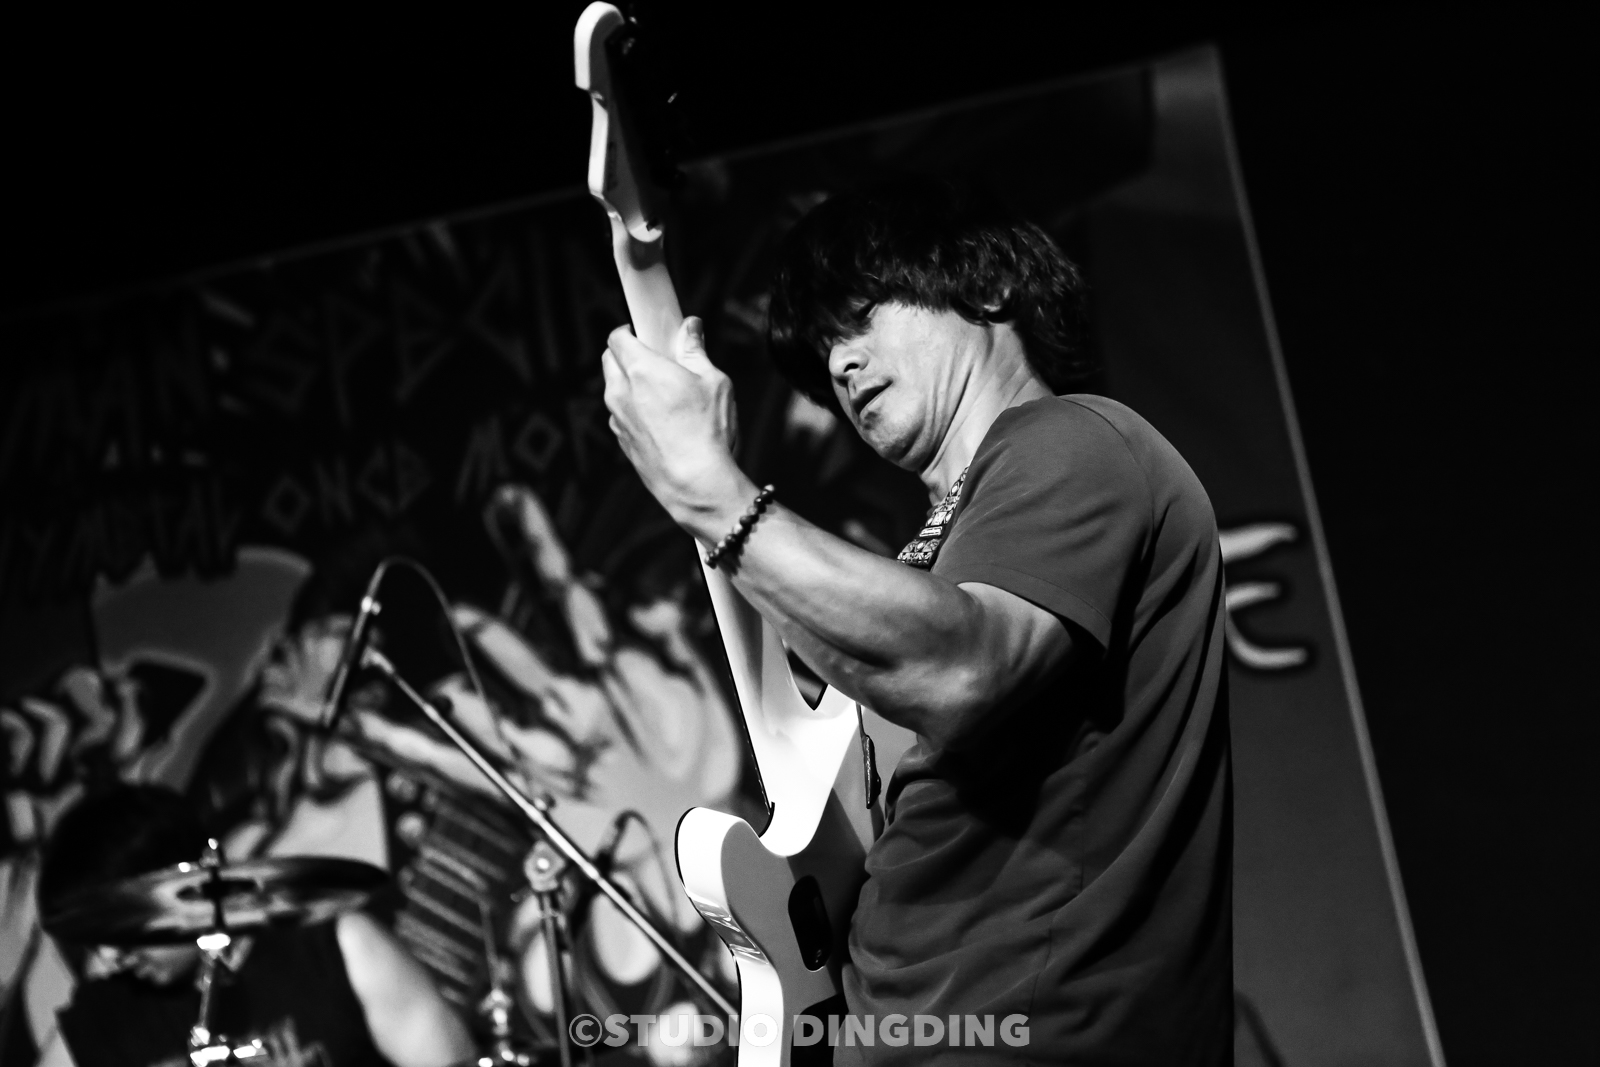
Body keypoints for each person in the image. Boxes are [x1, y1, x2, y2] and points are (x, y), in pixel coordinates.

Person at [600, 179, 1232, 1063]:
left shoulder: (1073, 439)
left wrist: (711, 492)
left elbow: (964, 669)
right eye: (824, 348)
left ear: (987, 285)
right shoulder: (938, 552)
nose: (840, 365)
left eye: (859, 316)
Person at [32, 785, 475, 1067]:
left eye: (117, 930)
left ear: (187, 886)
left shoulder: (336, 950)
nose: (109, 957)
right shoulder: (101, 1020)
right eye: (93, 939)